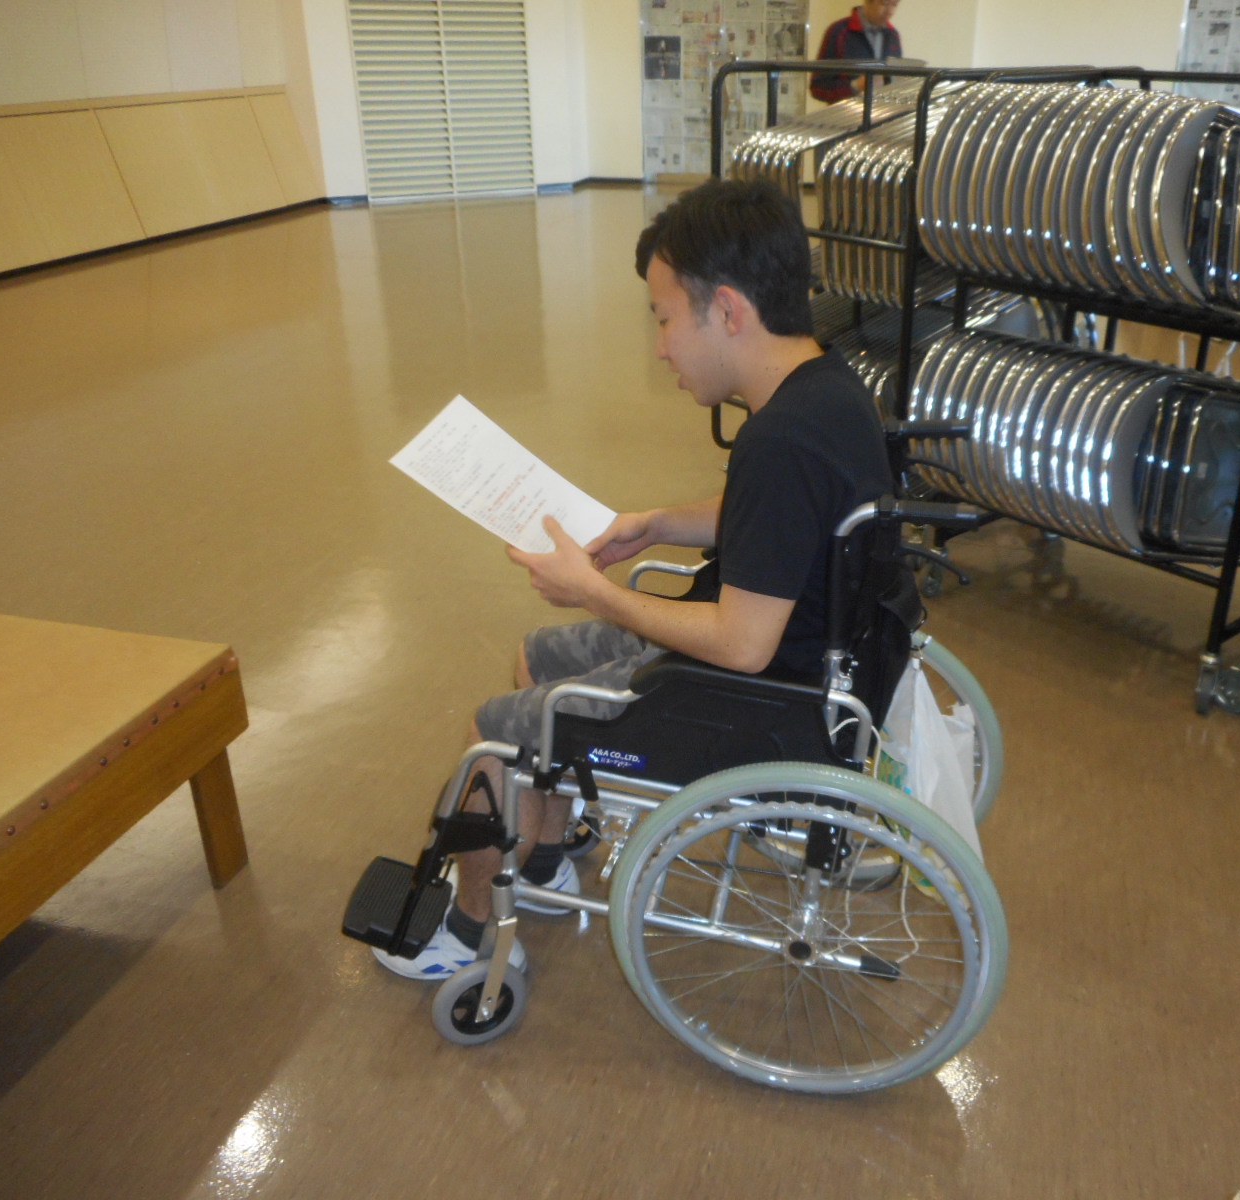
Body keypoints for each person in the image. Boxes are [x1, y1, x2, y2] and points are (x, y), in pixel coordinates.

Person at [373, 178, 893, 980]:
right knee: (537, 658)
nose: (660, 347)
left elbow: (742, 644)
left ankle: (470, 937)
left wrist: (595, 591)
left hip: (746, 700)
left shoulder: (781, 441)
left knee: (495, 733)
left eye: (664, 317)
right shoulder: (824, 388)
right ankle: (545, 863)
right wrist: (656, 524)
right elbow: (781, 521)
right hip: (812, 666)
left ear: (727, 310)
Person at [810, 0, 903, 104]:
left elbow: (896, 81)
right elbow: (817, 88)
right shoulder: (838, 32)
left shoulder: (893, 36)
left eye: (895, 5)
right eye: (884, 4)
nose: (890, 11)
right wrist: (855, 86)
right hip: (846, 113)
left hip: (883, 111)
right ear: (868, 2)